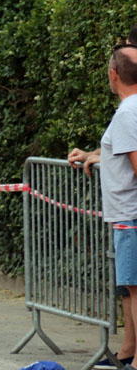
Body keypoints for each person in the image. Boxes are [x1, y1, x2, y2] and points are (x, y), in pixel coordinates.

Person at [69, 42, 137, 370]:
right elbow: (121, 153)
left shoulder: (127, 113)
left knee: (135, 290)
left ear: (113, 75)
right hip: (128, 214)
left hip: (130, 214)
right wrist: (95, 156)